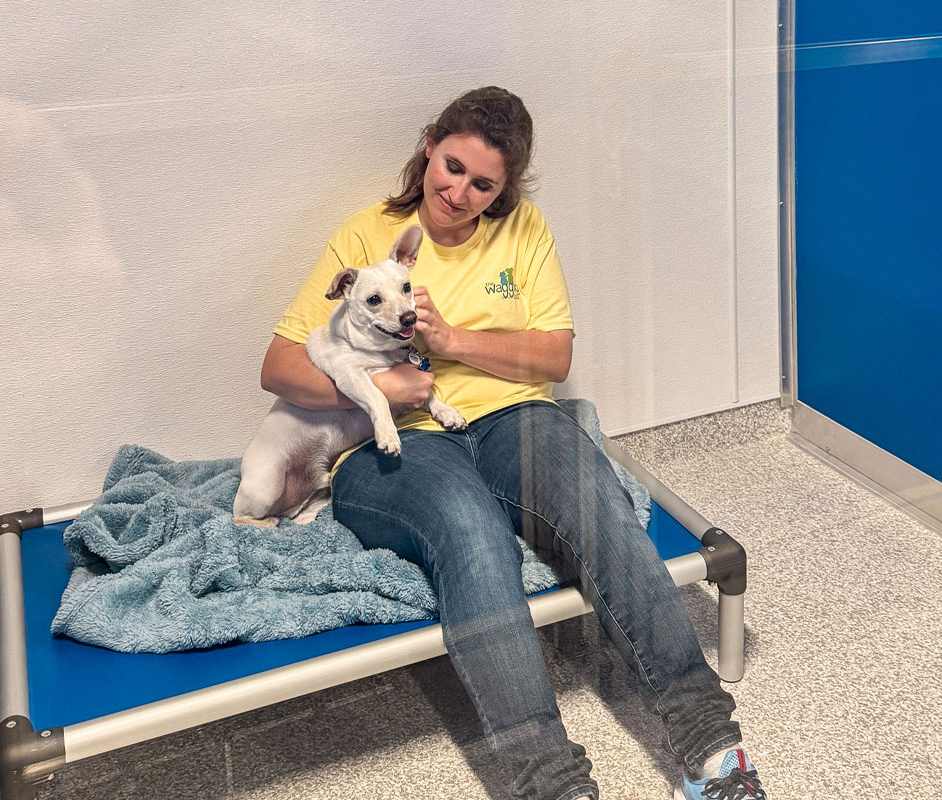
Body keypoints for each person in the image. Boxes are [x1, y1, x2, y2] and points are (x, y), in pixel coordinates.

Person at [261, 86, 763, 800]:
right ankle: (552, 785)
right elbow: (277, 366)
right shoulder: (365, 237)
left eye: (483, 183)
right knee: (473, 538)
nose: (459, 191)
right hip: (399, 443)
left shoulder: (524, 229)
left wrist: (449, 340)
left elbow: (553, 358)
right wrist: (376, 390)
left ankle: (712, 750)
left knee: (598, 510)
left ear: (504, 189)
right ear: (430, 142)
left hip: (510, 420)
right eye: (453, 166)